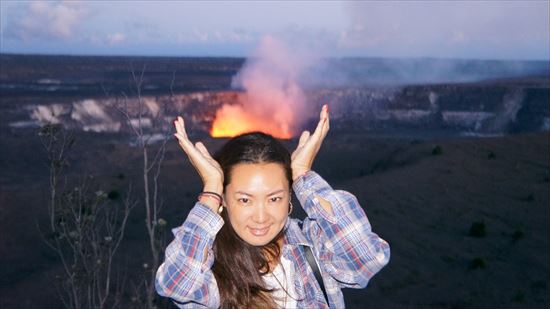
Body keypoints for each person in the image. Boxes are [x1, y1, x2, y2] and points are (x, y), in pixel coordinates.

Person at [155, 104, 390, 308]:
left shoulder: (314, 247)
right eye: (244, 199)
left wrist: (302, 176)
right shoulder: (210, 262)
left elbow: (366, 259)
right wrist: (211, 191)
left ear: (290, 197)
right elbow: (177, 285)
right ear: (224, 200)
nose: (260, 217)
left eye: (274, 198)